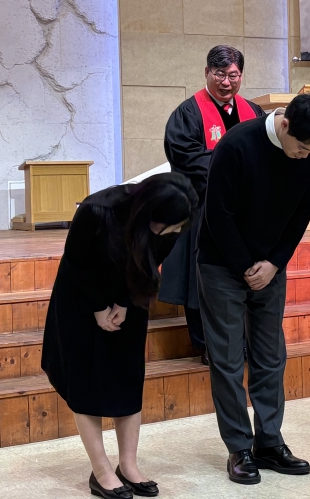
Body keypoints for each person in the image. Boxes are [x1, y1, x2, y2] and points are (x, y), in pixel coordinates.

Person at [197, 93, 310, 485]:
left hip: (271, 265)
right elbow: (218, 213)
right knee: (227, 360)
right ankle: (239, 448)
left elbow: (302, 211)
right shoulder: (237, 144)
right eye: (302, 149)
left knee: (271, 356)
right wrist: (246, 266)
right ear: (285, 124)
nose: (305, 156)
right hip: (222, 263)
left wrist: (275, 262)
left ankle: (269, 443)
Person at [41, 174, 198, 499]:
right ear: (146, 209)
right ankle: (101, 471)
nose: (165, 232)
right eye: (161, 225)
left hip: (131, 293)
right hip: (82, 297)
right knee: (86, 381)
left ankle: (128, 464)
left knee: (127, 376)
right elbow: (77, 264)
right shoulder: (97, 210)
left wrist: (126, 302)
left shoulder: (178, 215)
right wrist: (99, 307)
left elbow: (153, 259)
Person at [162, 45, 264, 363]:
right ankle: (207, 345)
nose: (226, 82)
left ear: (241, 75)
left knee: (242, 278)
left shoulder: (253, 112)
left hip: (244, 215)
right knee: (201, 281)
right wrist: (234, 173)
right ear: (207, 72)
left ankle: (242, 342)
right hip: (202, 210)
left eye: (233, 75)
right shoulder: (188, 113)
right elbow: (185, 156)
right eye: (219, 74)